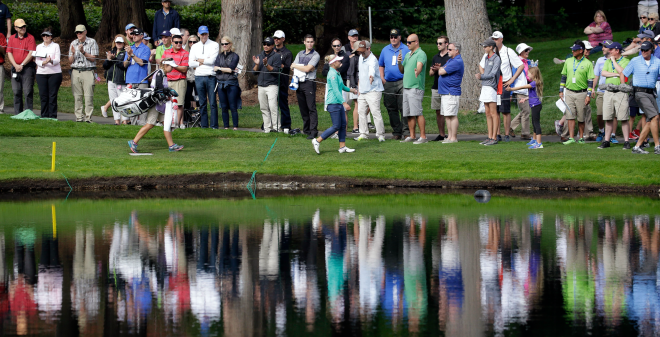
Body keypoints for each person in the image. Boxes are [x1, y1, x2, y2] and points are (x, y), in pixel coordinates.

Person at [128, 59, 183, 153]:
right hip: (155, 103)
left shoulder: (162, 74)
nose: (172, 68)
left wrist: (168, 94)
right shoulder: (159, 73)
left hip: (161, 103)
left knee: (166, 124)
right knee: (150, 124)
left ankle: (171, 145)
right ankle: (134, 142)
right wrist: (168, 91)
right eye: (171, 66)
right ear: (166, 65)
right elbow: (158, 88)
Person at [311, 55, 358, 154]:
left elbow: (341, 86)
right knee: (336, 126)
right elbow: (336, 91)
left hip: (338, 103)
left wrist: (351, 90)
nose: (340, 62)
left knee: (342, 125)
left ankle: (342, 147)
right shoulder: (332, 74)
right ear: (333, 63)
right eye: (338, 61)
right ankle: (317, 140)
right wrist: (344, 103)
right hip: (333, 103)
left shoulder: (337, 73)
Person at [484, 31, 524, 142]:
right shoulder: (490, 52)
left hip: (504, 83)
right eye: (493, 39)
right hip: (493, 85)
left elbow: (520, 66)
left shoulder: (508, 51)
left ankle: (506, 134)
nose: (495, 41)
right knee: (494, 110)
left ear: (501, 39)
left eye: (496, 39)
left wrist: (512, 79)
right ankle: (497, 134)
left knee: (505, 110)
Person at [622, 41, 660, 154]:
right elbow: (624, 74)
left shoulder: (657, 61)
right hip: (639, 92)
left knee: (650, 120)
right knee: (655, 116)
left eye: (646, 50)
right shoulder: (635, 61)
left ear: (651, 50)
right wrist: (624, 87)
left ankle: (637, 146)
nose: (643, 52)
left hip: (652, 93)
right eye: (641, 50)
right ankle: (657, 146)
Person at [597, 42, 631, 150]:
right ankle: (606, 141)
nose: (609, 51)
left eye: (611, 49)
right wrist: (616, 74)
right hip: (609, 91)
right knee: (608, 117)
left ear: (617, 50)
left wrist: (613, 61)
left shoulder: (626, 61)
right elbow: (603, 73)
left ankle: (626, 141)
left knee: (623, 118)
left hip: (621, 91)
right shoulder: (607, 61)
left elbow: (623, 71)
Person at [559, 41, 594, 144]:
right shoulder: (568, 61)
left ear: (581, 51)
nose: (572, 51)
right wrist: (561, 91)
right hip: (569, 91)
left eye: (575, 50)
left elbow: (590, 81)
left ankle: (581, 137)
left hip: (581, 93)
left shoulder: (587, 63)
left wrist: (588, 95)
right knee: (570, 116)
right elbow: (563, 77)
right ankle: (571, 138)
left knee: (581, 117)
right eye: (572, 49)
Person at [379, 28, 410, 140]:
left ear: (400, 37)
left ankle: (406, 132)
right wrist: (382, 78)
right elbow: (381, 65)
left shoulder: (406, 49)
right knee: (391, 108)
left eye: (395, 37)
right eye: (391, 37)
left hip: (402, 81)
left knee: (404, 107)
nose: (393, 39)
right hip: (388, 82)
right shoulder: (385, 49)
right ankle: (397, 131)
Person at [398, 33, 428, 144]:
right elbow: (402, 70)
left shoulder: (421, 53)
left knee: (417, 112)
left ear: (416, 42)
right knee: (409, 113)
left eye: (410, 42)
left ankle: (423, 137)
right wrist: (399, 62)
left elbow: (419, 65)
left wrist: (418, 70)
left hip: (416, 87)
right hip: (406, 87)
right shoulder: (407, 54)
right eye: (407, 42)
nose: (407, 44)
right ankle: (412, 136)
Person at [354, 40, 385, 142]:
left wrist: (371, 77)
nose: (361, 53)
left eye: (363, 51)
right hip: (362, 90)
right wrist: (359, 87)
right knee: (361, 112)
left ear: (369, 49)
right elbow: (360, 74)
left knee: (375, 112)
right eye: (360, 51)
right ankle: (363, 133)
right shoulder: (360, 57)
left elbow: (371, 70)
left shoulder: (373, 60)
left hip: (374, 90)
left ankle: (380, 135)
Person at [189, 25, 219, 129]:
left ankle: (214, 125)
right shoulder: (194, 46)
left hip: (210, 76)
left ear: (208, 34)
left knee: (212, 102)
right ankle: (204, 125)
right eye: (202, 34)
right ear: (198, 34)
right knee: (202, 103)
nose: (204, 36)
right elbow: (191, 63)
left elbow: (212, 61)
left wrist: (198, 60)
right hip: (199, 76)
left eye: (205, 34)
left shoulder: (214, 44)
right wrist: (203, 61)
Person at [506, 67, 544, 149]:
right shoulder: (534, 83)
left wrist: (511, 89)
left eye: (529, 73)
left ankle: (539, 143)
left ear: (533, 74)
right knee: (534, 123)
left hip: (536, 106)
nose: (527, 75)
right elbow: (534, 96)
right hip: (534, 105)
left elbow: (522, 87)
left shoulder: (534, 83)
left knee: (536, 124)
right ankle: (534, 140)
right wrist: (526, 98)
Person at [291, 34, 320, 139]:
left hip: (309, 82)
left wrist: (297, 66)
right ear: (304, 42)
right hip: (299, 82)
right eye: (308, 41)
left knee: (311, 108)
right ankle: (306, 130)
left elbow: (308, 69)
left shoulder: (315, 55)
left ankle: (313, 131)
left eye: (311, 41)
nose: (310, 43)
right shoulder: (300, 53)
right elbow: (292, 67)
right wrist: (303, 67)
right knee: (303, 108)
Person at [68, 25, 99, 123]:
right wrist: (73, 53)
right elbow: (70, 61)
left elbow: (94, 58)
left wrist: (83, 52)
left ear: (85, 32)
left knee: (88, 96)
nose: (79, 34)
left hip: (88, 71)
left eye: (80, 32)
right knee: (77, 96)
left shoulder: (92, 42)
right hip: (76, 71)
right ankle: (79, 118)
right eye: (77, 32)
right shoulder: (73, 43)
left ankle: (88, 118)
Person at [436, 42, 464, 144]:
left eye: (450, 49)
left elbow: (441, 71)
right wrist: (441, 68)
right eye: (448, 49)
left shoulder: (457, 61)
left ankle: (454, 137)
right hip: (445, 92)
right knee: (447, 115)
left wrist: (441, 69)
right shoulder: (451, 60)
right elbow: (441, 69)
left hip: (451, 92)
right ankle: (449, 136)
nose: (448, 51)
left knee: (452, 115)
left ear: (457, 50)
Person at [7, 18, 35, 115]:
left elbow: (31, 53)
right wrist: (15, 65)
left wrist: (22, 64)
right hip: (15, 68)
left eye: (24, 26)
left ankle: (28, 113)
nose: (23, 28)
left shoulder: (30, 37)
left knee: (27, 91)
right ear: (15, 28)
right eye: (20, 27)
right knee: (16, 91)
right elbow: (9, 52)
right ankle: (18, 113)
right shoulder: (11, 38)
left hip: (27, 67)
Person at [123, 28, 151, 125]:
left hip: (142, 80)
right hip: (130, 79)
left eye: (136, 34)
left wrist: (132, 54)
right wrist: (128, 56)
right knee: (131, 103)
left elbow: (142, 63)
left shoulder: (146, 49)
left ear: (141, 36)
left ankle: (143, 124)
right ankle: (133, 124)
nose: (133, 36)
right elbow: (125, 64)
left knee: (143, 103)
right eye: (132, 34)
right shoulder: (130, 48)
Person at [477, 38, 501, 146]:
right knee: (487, 113)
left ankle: (494, 137)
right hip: (485, 87)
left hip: (491, 87)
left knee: (493, 113)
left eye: (485, 46)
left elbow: (493, 74)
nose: (483, 48)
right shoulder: (486, 58)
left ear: (491, 47)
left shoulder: (496, 58)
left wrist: (481, 76)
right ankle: (489, 136)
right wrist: (482, 77)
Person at [322, 37, 350, 130]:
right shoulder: (330, 58)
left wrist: (331, 71)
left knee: (343, 109)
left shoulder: (345, 56)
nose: (337, 47)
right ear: (332, 46)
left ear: (341, 46)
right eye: (335, 46)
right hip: (332, 84)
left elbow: (342, 70)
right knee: (335, 110)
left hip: (341, 84)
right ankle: (337, 131)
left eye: (338, 45)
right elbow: (323, 72)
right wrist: (331, 72)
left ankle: (343, 131)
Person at [254, 37, 281, 133]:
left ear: (272, 46)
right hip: (261, 85)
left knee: (273, 107)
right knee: (263, 108)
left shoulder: (276, 56)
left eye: (268, 44)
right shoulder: (259, 55)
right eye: (264, 44)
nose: (265, 46)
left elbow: (276, 72)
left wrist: (266, 65)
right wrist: (257, 64)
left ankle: (277, 128)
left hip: (272, 85)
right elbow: (254, 72)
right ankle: (267, 128)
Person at [214, 36, 240, 130]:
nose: (224, 46)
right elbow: (215, 68)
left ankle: (235, 126)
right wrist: (224, 69)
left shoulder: (235, 56)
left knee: (233, 106)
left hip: (231, 83)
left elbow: (231, 69)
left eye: (226, 44)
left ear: (230, 44)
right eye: (222, 44)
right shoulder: (219, 56)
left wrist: (220, 69)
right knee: (224, 106)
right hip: (220, 83)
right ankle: (226, 127)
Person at [162, 33, 189, 127]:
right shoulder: (166, 52)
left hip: (180, 81)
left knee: (179, 104)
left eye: (180, 42)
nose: (179, 44)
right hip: (168, 80)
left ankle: (176, 124)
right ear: (172, 42)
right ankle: (168, 123)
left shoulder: (185, 53)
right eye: (176, 42)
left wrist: (173, 65)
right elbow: (164, 67)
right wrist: (170, 68)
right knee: (167, 103)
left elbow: (184, 69)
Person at [35, 28, 61, 119]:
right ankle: (44, 116)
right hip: (41, 73)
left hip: (54, 73)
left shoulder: (55, 46)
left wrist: (50, 61)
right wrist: (44, 62)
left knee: (52, 95)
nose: (45, 37)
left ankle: (53, 116)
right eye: (43, 35)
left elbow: (57, 60)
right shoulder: (39, 47)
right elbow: (37, 60)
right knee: (43, 95)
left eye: (47, 35)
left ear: (51, 37)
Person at [102, 35, 128, 125]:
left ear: (124, 43)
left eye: (121, 42)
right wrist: (108, 59)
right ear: (115, 43)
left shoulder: (125, 53)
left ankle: (125, 120)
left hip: (120, 80)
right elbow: (105, 66)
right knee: (113, 101)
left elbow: (123, 66)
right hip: (111, 79)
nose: (119, 44)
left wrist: (114, 59)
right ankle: (116, 120)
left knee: (122, 101)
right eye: (117, 42)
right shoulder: (112, 51)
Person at [429, 36, 450, 141]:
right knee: (438, 111)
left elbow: (450, 71)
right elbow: (430, 74)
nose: (438, 45)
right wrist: (433, 70)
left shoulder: (450, 57)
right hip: (436, 87)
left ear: (446, 44)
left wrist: (440, 68)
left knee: (447, 111)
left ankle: (450, 134)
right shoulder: (435, 57)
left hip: (446, 88)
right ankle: (441, 134)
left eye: (440, 43)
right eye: (437, 43)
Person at [273, 30, 293, 133]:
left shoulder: (287, 53)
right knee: (271, 104)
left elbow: (287, 67)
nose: (276, 40)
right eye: (275, 38)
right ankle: (271, 125)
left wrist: (277, 63)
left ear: (283, 39)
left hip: (283, 81)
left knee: (283, 103)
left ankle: (286, 125)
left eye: (278, 38)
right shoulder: (271, 51)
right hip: (272, 81)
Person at [591, 41, 610, 142]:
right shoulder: (599, 60)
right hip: (601, 91)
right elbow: (596, 76)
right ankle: (601, 131)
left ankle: (611, 134)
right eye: (602, 46)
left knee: (611, 114)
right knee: (599, 113)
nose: (602, 49)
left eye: (605, 47)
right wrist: (593, 88)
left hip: (611, 91)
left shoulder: (615, 60)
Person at [184, 35, 199, 110]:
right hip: (188, 77)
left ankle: (199, 116)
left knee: (198, 97)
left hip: (198, 77)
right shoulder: (185, 52)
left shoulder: (200, 52)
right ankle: (187, 117)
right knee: (187, 97)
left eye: (194, 42)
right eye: (190, 42)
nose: (192, 43)